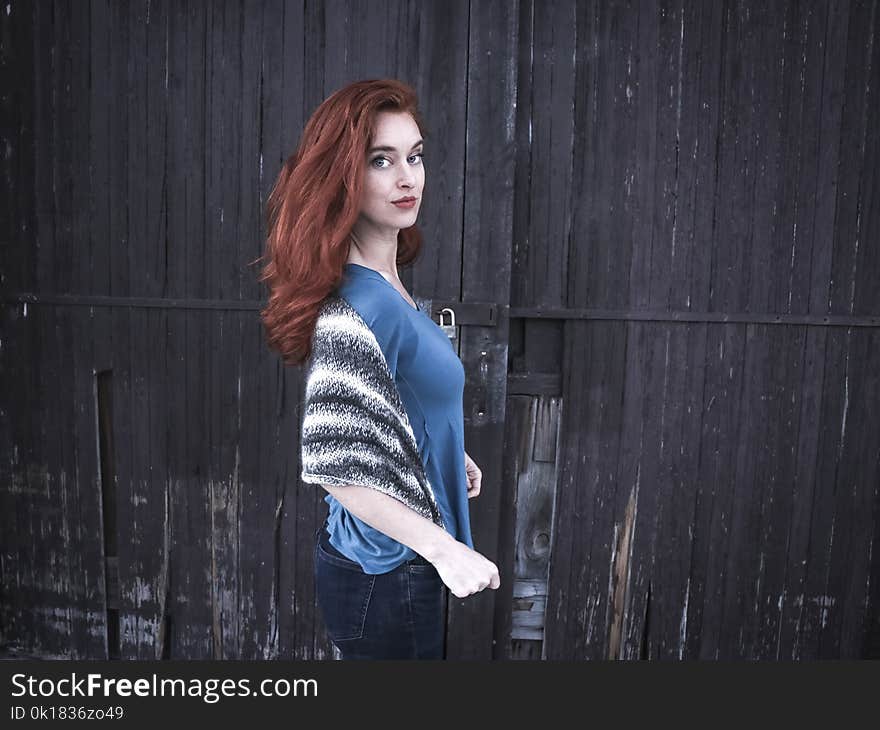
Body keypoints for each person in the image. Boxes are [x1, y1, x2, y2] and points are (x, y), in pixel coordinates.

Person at [257, 79, 500, 659]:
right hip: (387, 572)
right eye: (381, 161)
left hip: (391, 561)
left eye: (415, 156)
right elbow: (335, 466)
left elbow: (395, 403)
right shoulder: (358, 307)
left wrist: (438, 451)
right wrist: (445, 550)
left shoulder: (391, 290)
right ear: (343, 176)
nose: (407, 177)